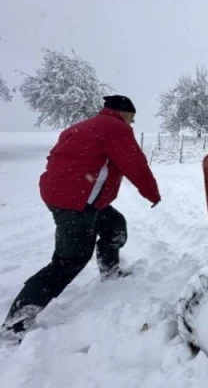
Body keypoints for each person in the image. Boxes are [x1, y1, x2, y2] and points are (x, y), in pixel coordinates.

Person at [0, 95, 161, 341]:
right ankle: (17, 321)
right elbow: (135, 164)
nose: (132, 123)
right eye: (132, 117)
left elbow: (57, 158)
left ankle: (110, 270)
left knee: (114, 225)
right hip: (75, 202)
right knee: (70, 259)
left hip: (67, 196)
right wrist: (152, 193)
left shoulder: (81, 127)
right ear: (122, 112)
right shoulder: (115, 128)